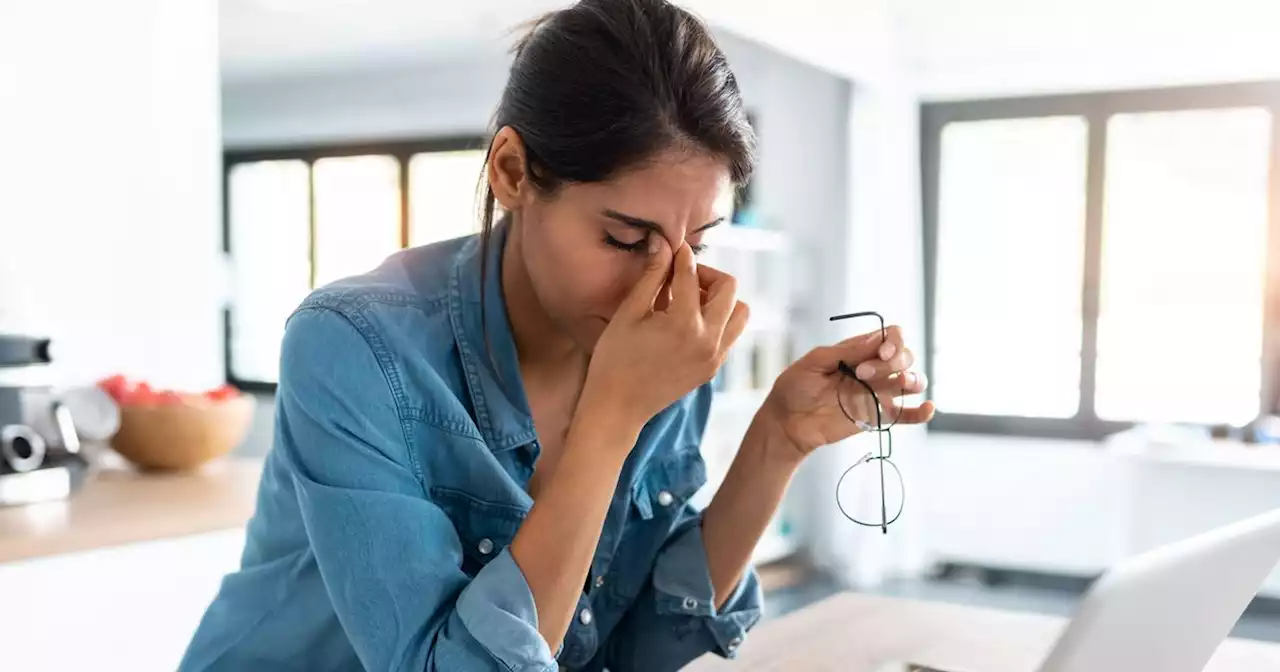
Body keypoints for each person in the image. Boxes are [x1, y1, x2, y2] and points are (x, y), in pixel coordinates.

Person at [180, 1, 933, 670]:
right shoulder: (354, 346)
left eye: (698, 242)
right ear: (511, 171)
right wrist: (611, 420)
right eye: (623, 236)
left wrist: (778, 440)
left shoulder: (664, 342)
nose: (664, 287)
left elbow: (627, 644)